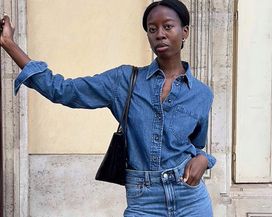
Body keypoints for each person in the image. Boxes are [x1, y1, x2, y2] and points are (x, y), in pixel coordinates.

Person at [0, 0, 216, 216]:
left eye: (168, 26)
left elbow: (195, 146)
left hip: (190, 199)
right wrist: (10, 43)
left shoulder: (202, 94)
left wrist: (204, 159)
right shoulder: (124, 80)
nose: (159, 34)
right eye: (152, 29)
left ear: (185, 31)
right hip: (144, 201)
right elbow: (63, 90)